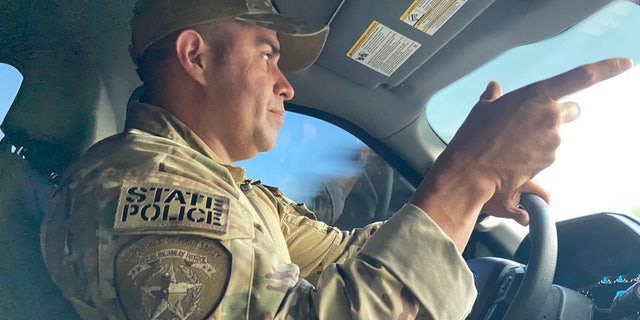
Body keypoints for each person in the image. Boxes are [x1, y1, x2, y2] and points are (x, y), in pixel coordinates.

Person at [40, 0, 633, 319]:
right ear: (195, 57)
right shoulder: (134, 191)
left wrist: (470, 203)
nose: (286, 85)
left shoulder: (227, 191)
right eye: (268, 54)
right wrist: (469, 172)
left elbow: (353, 256)